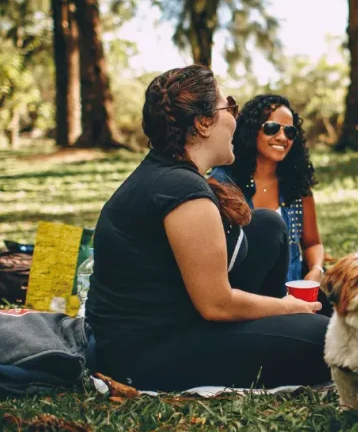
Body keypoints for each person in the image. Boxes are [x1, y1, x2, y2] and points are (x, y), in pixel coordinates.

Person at [87, 66, 330, 391]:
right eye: (228, 106)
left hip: (177, 318)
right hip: (146, 353)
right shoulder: (180, 189)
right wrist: (289, 307)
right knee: (328, 340)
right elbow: (216, 304)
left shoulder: (171, 173)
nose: (235, 118)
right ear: (203, 123)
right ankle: (286, 327)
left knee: (267, 225)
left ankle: (281, 327)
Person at [210, 95, 326, 284]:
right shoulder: (223, 182)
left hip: (294, 295)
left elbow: (313, 243)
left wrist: (316, 270)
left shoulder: (296, 184)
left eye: (290, 132)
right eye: (272, 128)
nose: (282, 137)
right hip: (244, 296)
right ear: (252, 130)